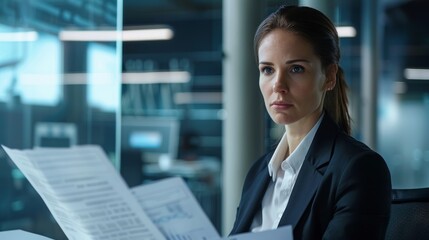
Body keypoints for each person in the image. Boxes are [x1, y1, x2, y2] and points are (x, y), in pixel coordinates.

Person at [229, 5, 391, 240]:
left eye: (296, 69)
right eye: (267, 70)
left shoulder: (359, 169)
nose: (278, 85)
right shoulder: (259, 173)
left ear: (329, 76)